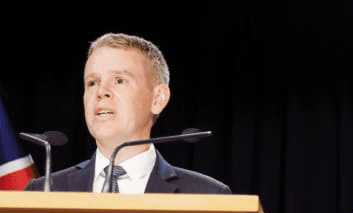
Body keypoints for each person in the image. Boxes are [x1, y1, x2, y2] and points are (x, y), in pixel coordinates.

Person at [26, 33, 230, 194]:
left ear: (157, 99)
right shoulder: (43, 191)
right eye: (92, 83)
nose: (101, 91)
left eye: (119, 80)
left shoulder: (205, 194)